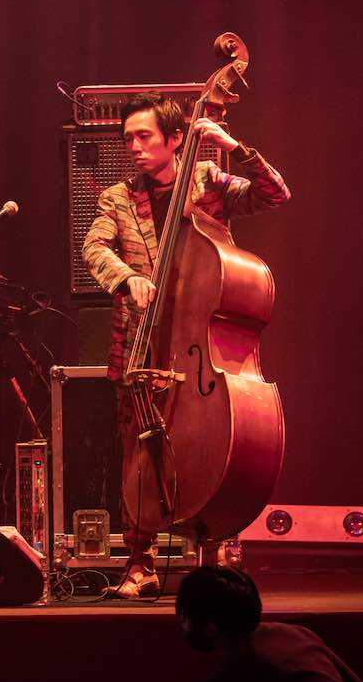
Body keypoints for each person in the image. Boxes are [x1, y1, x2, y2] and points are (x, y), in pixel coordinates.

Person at [82, 92, 290, 598]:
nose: (134, 146)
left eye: (144, 136)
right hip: (142, 345)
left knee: (212, 445)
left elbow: (274, 195)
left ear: (176, 138)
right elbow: (94, 246)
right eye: (128, 138)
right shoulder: (116, 198)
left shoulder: (207, 181)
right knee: (138, 452)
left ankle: (214, 551)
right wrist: (127, 276)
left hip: (197, 345)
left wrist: (238, 150)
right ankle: (140, 563)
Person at [178, 566, 363, 682]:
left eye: (184, 617)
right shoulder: (297, 634)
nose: (182, 624)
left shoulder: (229, 681)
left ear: (210, 627)